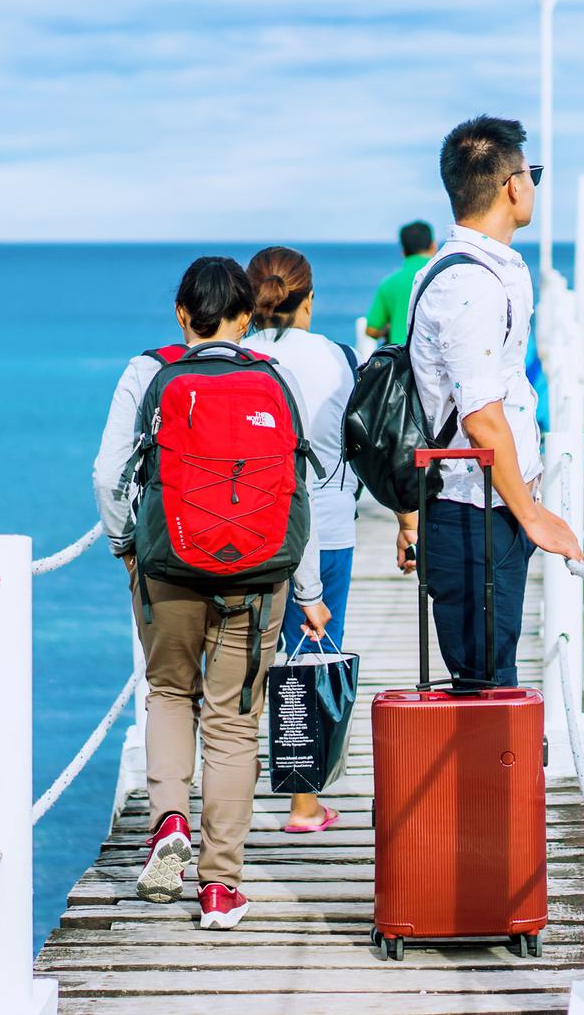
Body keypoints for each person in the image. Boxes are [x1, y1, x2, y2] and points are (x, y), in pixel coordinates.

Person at [91, 256, 332, 931]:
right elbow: (295, 491)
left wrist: (125, 544)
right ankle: (221, 886)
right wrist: (305, 585)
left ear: (181, 313)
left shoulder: (149, 371)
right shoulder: (275, 380)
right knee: (233, 719)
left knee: (169, 690)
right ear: (249, 317)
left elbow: (109, 474)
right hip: (258, 576)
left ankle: (169, 817)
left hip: (168, 565)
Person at [398, 116, 583, 686]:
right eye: (533, 173)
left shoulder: (476, 270)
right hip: (473, 510)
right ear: (512, 184)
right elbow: (481, 418)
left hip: (483, 504)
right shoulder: (469, 285)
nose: (533, 185)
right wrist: (534, 519)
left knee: (489, 679)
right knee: (485, 686)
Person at [242, 245, 358, 836]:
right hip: (328, 523)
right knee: (310, 656)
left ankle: (222, 798)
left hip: (244, 526)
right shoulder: (340, 358)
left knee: (243, 663)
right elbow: (359, 443)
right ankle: (303, 805)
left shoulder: (233, 358)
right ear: (309, 299)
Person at [364, 220, 434, 345]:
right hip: (435, 356)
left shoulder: (389, 282)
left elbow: (371, 329)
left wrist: (388, 329)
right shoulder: (442, 276)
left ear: (403, 251)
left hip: (401, 358)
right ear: (433, 246)